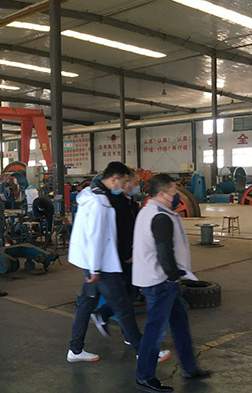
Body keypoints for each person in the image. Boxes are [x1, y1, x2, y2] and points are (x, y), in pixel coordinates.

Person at [66, 162, 169, 364]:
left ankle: (75, 350)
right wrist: (95, 269)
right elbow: (95, 237)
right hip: (101, 265)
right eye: (125, 181)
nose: (125, 185)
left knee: (87, 305)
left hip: (94, 263)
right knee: (122, 307)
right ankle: (144, 352)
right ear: (115, 179)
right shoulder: (98, 202)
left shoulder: (94, 195)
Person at [133, 174, 211, 392]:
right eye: (174, 192)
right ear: (162, 194)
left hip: (161, 280)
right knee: (155, 331)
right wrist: (173, 276)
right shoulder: (160, 217)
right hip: (160, 281)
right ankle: (144, 377)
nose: (177, 195)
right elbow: (164, 253)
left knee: (179, 323)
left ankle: (190, 368)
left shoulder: (149, 211)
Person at [91, 169, 140, 337]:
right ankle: (105, 315)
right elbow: (117, 233)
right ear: (125, 183)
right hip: (122, 257)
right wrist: (126, 255)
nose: (137, 186)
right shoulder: (116, 204)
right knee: (125, 296)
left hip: (130, 254)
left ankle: (105, 316)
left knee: (129, 294)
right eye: (134, 182)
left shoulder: (130, 203)